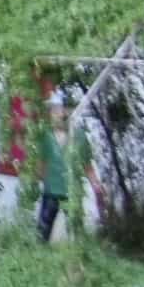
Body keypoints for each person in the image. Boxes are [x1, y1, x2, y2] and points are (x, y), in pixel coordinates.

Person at [36, 89, 104, 242]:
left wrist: (96, 185)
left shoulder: (79, 136)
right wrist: (38, 179)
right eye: (52, 110)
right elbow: (41, 165)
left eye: (57, 109)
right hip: (51, 192)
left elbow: (87, 165)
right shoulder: (46, 136)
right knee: (42, 232)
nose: (54, 114)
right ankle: (38, 261)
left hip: (72, 192)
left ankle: (76, 262)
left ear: (67, 112)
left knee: (76, 234)